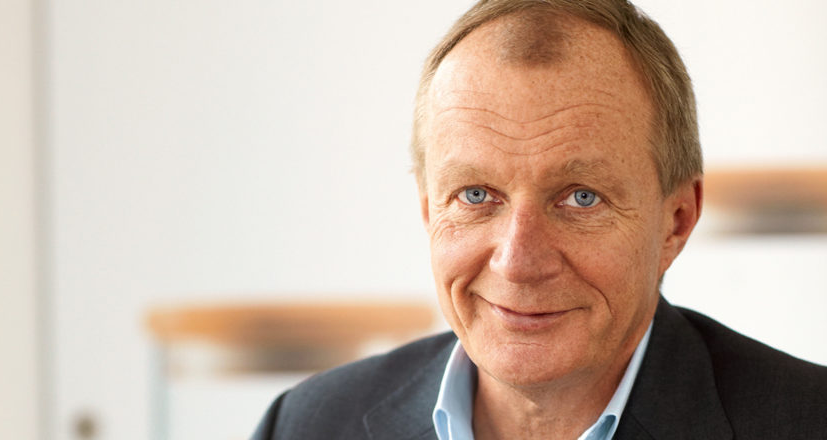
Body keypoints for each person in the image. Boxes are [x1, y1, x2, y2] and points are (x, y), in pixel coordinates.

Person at [251, 1, 827, 438]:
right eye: (476, 194)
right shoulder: (308, 424)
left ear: (676, 221)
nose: (518, 261)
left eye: (581, 198)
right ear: (429, 210)